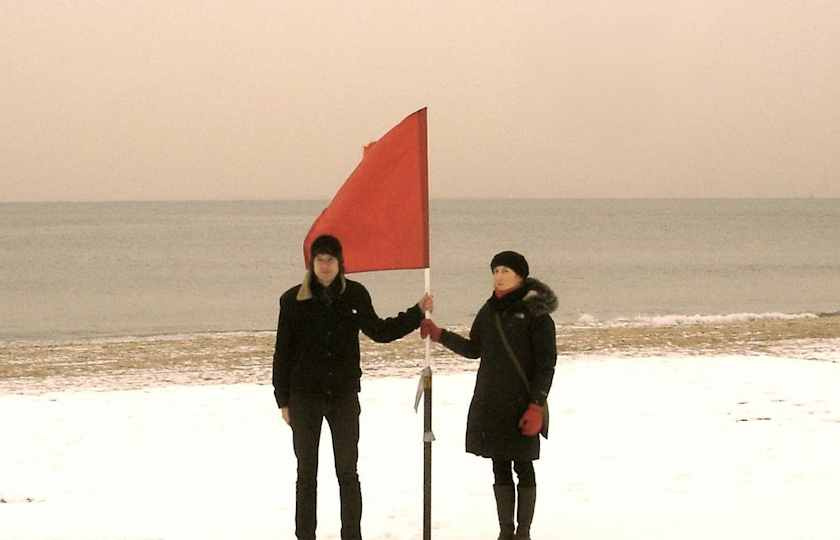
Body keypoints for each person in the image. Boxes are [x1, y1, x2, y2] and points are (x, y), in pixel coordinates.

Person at [272, 234, 433, 540]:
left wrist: (417, 312)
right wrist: (283, 399)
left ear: (340, 263)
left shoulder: (355, 295)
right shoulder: (292, 300)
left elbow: (380, 331)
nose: (325, 266)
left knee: (347, 472)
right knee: (306, 474)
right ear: (311, 263)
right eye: (320, 260)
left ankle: (351, 535)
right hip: (304, 397)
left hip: (343, 396)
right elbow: (283, 352)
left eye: (330, 260)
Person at [420, 251, 557, 540]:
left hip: (523, 402)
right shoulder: (490, 310)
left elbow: (546, 365)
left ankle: (523, 532)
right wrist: (440, 334)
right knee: (499, 465)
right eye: (495, 271)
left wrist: (536, 405)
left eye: (506, 271)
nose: (499, 276)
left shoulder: (536, 313)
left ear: (520, 276)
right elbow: (474, 349)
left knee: (524, 466)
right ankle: (505, 531)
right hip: (492, 400)